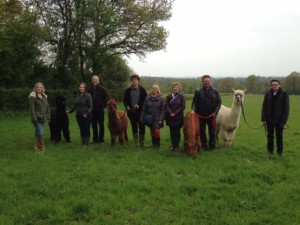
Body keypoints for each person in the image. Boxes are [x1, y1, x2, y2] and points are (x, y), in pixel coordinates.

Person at [192, 75, 221, 150]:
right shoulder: (198, 91)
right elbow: (194, 102)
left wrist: (215, 113)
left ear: (210, 81)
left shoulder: (215, 91)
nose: (207, 82)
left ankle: (212, 146)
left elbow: (219, 103)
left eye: (208, 81)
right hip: (201, 116)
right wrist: (193, 110)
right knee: (202, 132)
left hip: (212, 116)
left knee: (212, 132)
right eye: (205, 81)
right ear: (202, 82)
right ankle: (204, 145)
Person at [261, 79, 289, 157]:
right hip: (269, 119)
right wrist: (263, 119)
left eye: (276, 84)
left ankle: (280, 152)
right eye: (273, 85)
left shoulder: (284, 94)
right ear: (271, 86)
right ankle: (270, 152)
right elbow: (264, 107)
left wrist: (284, 121)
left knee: (279, 136)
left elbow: (286, 108)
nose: (274, 86)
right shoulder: (267, 93)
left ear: (279, 85)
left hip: (279, 120)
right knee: (270, 136)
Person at [123, 74, 147, 147]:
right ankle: (136, 142)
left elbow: (145, 101)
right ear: (131, 81)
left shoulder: (142, 90)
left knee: (142, 126)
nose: (134, 81)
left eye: (136, 80)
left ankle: (142, 143)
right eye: (133, 80)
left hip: (141, 112)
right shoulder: (128, 90)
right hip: (131, 112)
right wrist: (127, 106)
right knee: (134, 126)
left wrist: (139, 105)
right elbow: (125, 100)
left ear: (138, 81)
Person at [140, 84, 165, 149]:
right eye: (153, 89)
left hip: (158, 118)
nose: (154, 90)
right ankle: (154, 144)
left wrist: (161, 119)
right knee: (152, 131)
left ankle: (158, 146)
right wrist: (141, 117)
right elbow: (144, 109)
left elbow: (163, 110)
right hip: (149, 118)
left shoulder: (161, 98)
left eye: (156, 89)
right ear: (151, 90)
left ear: (158, 90)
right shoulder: (147, 98)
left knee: (156, 131)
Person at [69, 83, 93, 148]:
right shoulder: (78, 95)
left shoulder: (88, 96)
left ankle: (86, 144)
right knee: (82, 129)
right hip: (78, 115)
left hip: (86, 116)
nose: (81, 88)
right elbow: (76, 105)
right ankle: (82, 143)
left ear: (85, 88)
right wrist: (70, 112)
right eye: (80, 87)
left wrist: (86, 113)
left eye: (83, 87)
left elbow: (91, 107)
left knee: (86, 129)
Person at [29, 82, 50, 152]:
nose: (39, 88)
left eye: (40, 87)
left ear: (42, 88)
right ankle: (42, 144)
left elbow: (47, 107)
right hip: (37, 118)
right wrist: (34, 119)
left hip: (43, 117)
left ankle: (36, 144)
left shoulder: (44, 96)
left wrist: (48, 116)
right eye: (38, 87)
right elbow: (32, 109)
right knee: (40, 132)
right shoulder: (32, 97)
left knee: (38, 132)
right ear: (35, 88)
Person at [89, 75, 110, 143]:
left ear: (98, 81)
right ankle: (95, 139)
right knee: (94, 125)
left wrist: (104, 106)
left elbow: (108, 98)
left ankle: (101, 139)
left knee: (101, 125)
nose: (95, 80)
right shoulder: (89, 89)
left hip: (100, 110)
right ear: (92, 81)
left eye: (96, 79)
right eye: (94, 79)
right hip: (92, 110)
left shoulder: (103, 89)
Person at [165, 82, 186, 151]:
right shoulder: (169, 96)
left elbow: (183, 106)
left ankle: (176, 146)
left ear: (179, 88)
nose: (175, 88)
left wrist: (175, 113)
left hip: (178, 117)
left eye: (176, 87)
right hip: (170, 117)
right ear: (172, 88)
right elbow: (166, 105)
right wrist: (170, 113)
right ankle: (173, 145)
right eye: (174, 87)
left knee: (177, 132)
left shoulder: (181, 96)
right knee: (172, 132)